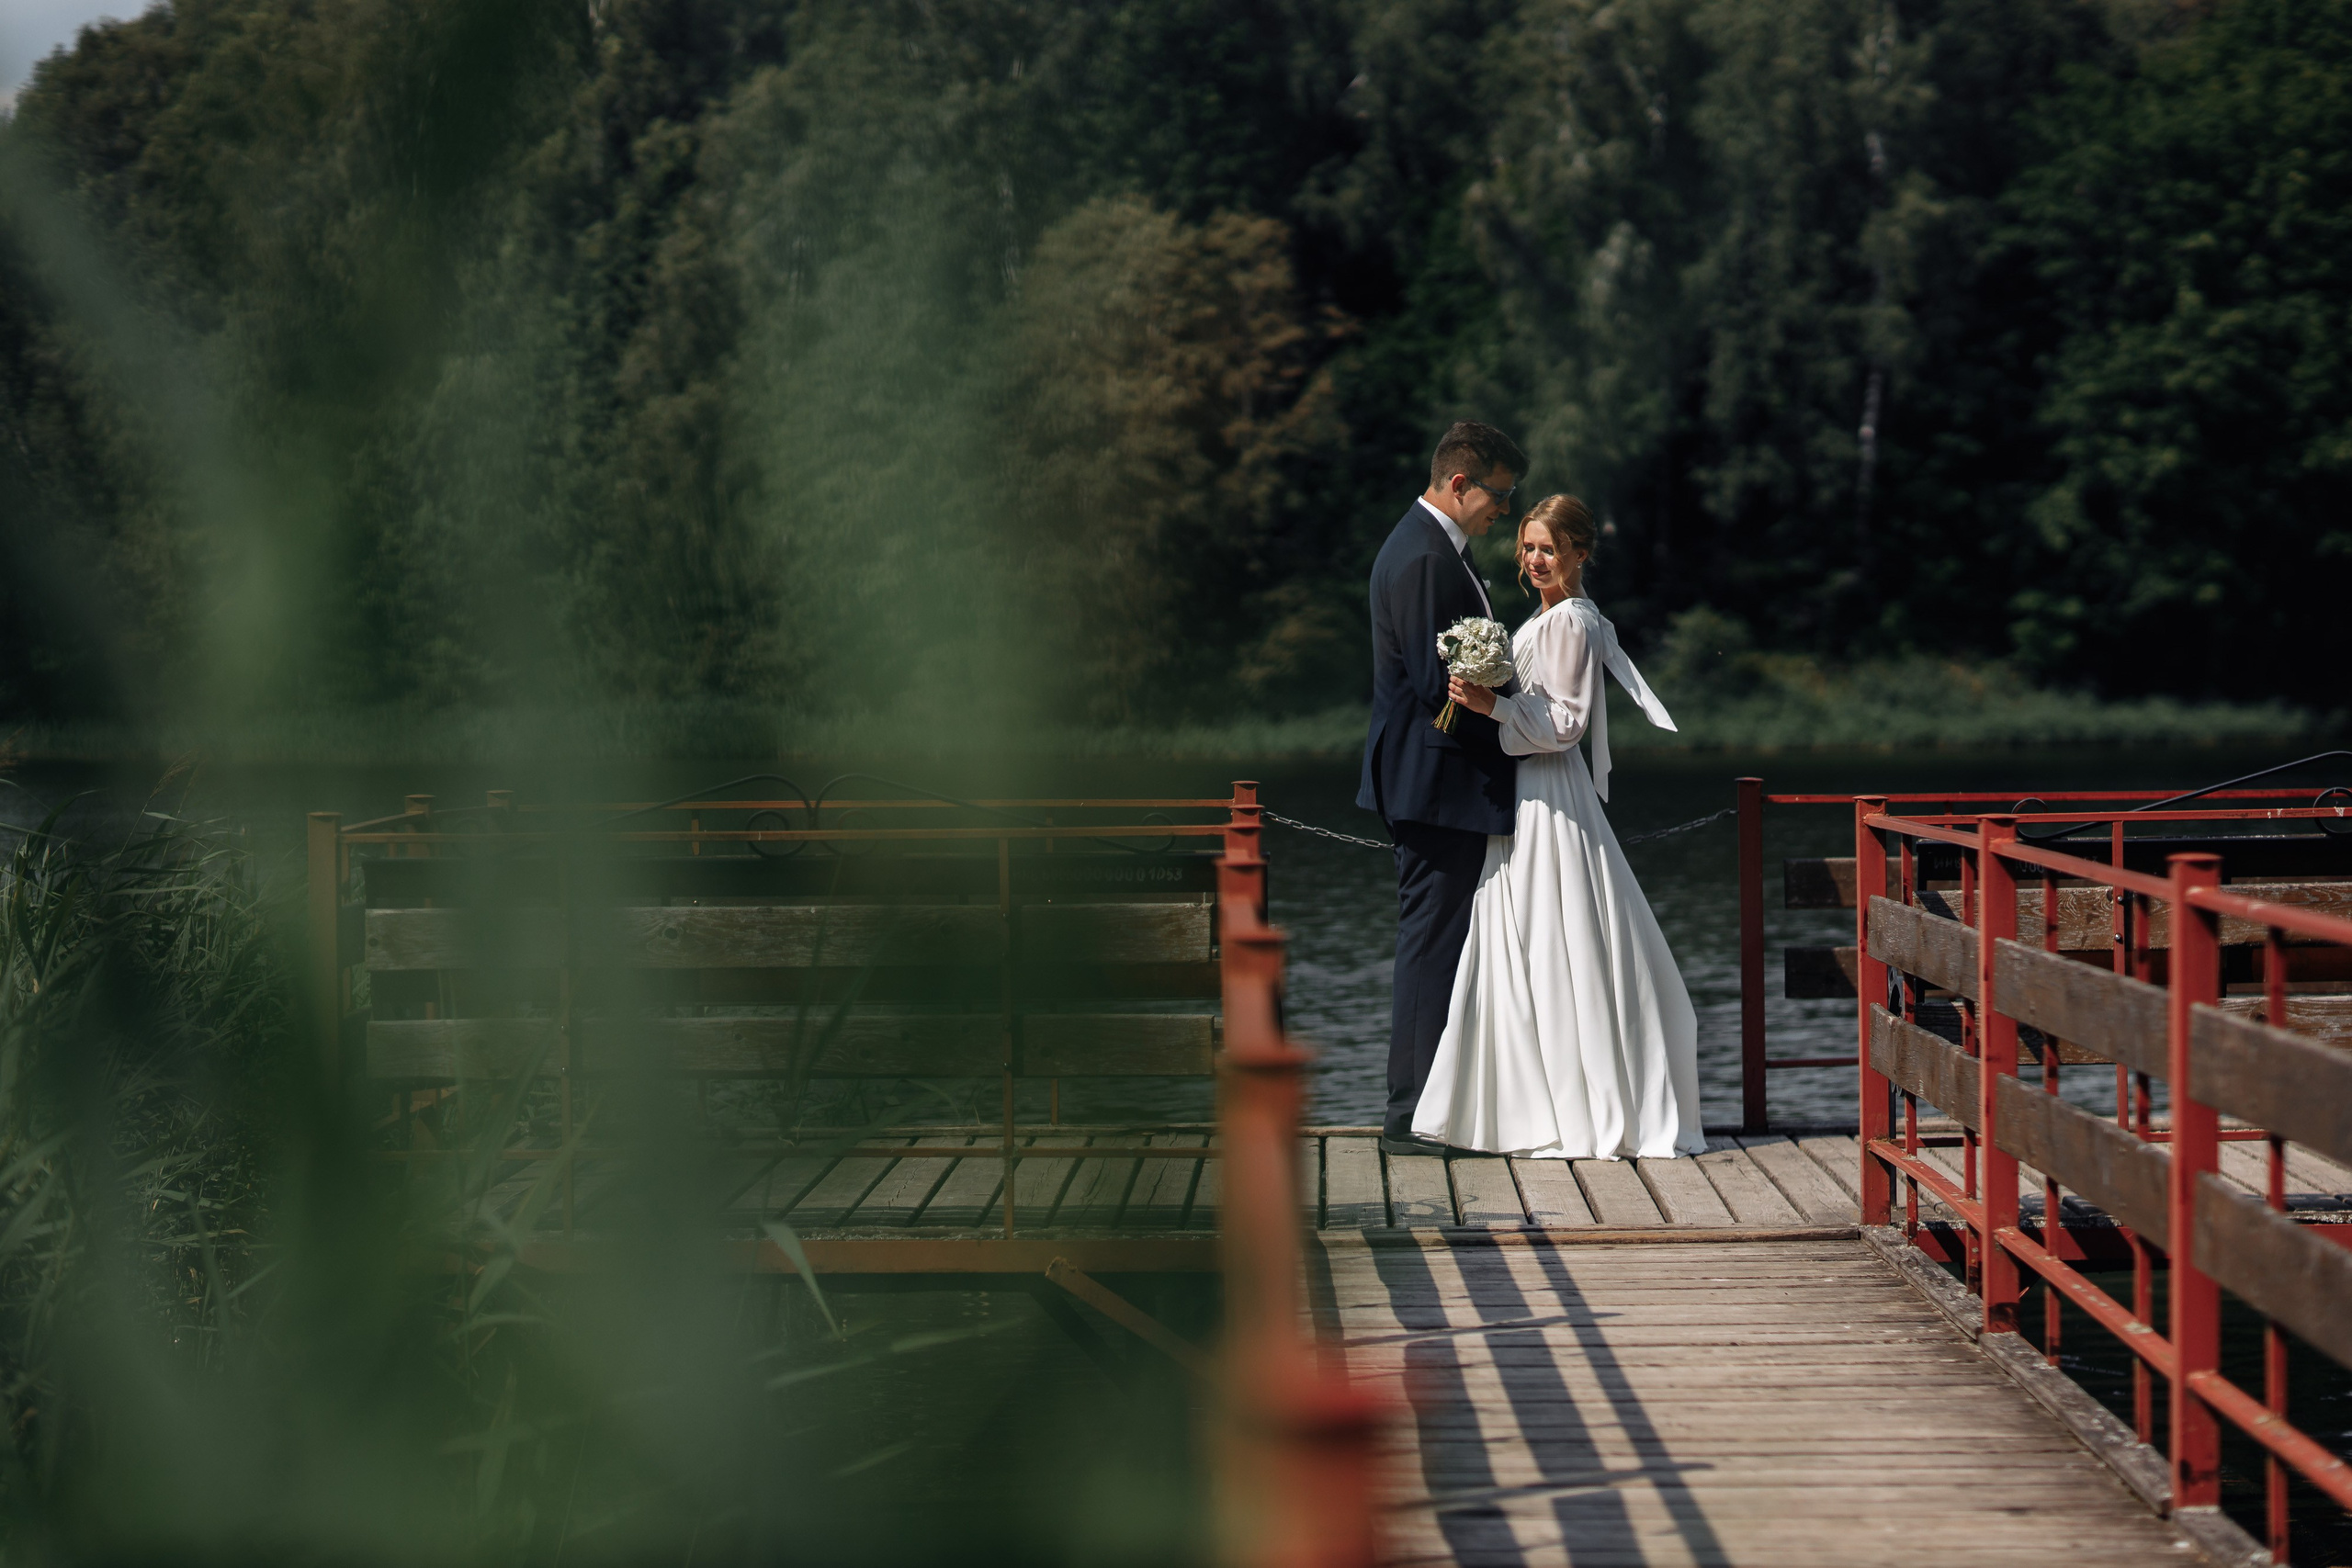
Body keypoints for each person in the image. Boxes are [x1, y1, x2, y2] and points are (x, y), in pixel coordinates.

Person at [1410, 494, 1705, 1160]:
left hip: (1549, 794)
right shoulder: (1546, 617)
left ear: (1579, 552)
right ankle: (1526, 1104)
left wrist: (1492, 706)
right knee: (1525, 937)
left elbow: (1566, 725)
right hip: (1525, 792)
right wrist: (1489, 700)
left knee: (1552, 937)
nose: (1535, 559)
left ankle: (1574, 1106)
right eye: (1527, 547)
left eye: (1548, 547)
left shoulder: (1570, 620)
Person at [1357, 421, 1526, 1157]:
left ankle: (1429, 1106)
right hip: (1433, 781)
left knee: (1440, 941)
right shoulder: (1427, 557)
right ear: (1459, 483)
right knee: (1430, 944)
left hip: (1429, 779)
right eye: (1499, 495)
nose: (1505, 514)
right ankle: (1410, 1117)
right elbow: (1439, 685)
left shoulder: (1428, 546)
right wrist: (1527, 730)